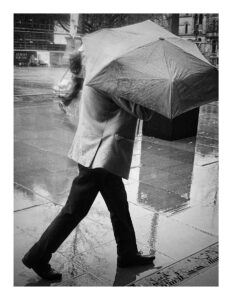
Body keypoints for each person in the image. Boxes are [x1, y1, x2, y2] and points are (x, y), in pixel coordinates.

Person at [22, 50, 155, 281]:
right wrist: (148, 84)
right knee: (74, 210)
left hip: (98, 154)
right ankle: (38, 256)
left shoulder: (98, 75)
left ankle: (128, 253)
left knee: (118, 207)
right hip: (99, 157)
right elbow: (143, 111)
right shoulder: (110, 81)